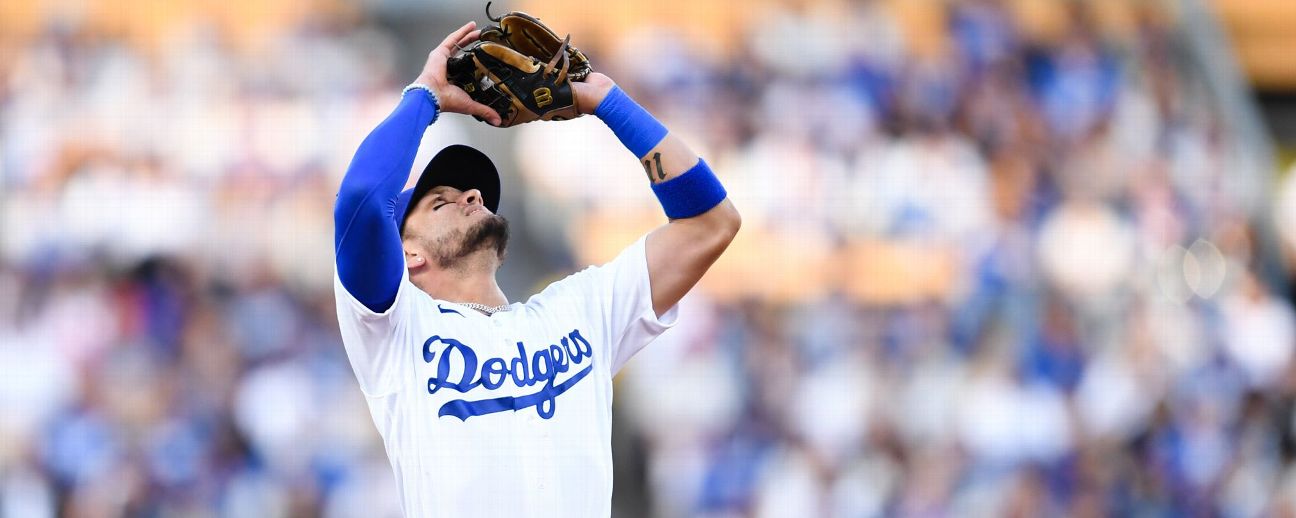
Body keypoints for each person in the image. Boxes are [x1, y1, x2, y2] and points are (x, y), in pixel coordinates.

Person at [332, 22, 740, 516]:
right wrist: (425, 98)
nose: (472, 196)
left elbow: (710, 223)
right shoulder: (394, 334)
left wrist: (610, 104)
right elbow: (360, 198)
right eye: (441, 201)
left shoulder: (581, 311)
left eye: (472, 192)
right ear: (407, 255)